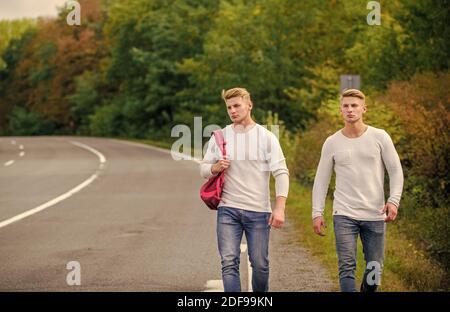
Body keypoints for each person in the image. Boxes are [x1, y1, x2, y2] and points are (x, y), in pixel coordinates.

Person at [312, 88, 404, 292]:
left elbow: (396, 171)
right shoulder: (332, 142)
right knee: (346, 266)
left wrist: (394, 200)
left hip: (375, 214)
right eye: (346, 106)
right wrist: (317, 213)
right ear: (340, 110)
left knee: (375, 269)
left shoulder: (380, 137)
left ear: (364, 108)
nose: (350, 109)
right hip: (344, 214)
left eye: (354, 105)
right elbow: (321, 180)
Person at [200, 87, 289, 292]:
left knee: (260, 264)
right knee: (229, 261)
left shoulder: (266, 137)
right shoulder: (221, 136)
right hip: (228, 209)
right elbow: (203, 168)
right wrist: (215, 167)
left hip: (258, 211)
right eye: (229, 107)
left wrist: (280, 208)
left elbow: (281, 172)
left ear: (249, 105)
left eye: (237, 105)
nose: (232, 111)